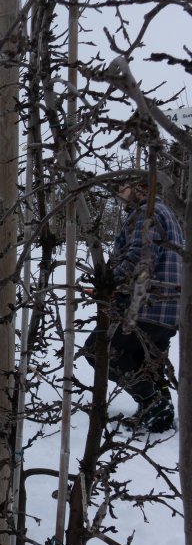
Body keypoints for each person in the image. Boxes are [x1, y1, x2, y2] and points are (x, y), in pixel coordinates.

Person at [84, 173, 183, 433]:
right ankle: (159, 416)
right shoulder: (167, 213)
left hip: (146, 306)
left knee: (98, 350)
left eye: (122, 186)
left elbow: (141, 259)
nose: (119, 192)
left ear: (140, 188)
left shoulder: (146, 213)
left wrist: (109, 284)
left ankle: (152, 402)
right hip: (168, 309)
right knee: (147, 361)